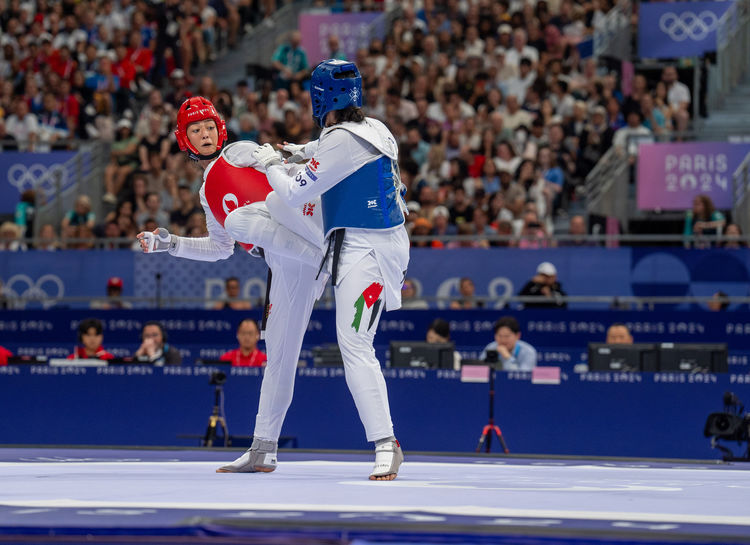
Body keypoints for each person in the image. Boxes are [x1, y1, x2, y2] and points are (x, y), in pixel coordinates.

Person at [137, 96, 330, 477]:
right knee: (279, 355)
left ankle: (332, 258)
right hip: (284, 258)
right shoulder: (206, 195)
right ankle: (263, 449)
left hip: (302, 223)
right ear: (185, 139)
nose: (205, 133)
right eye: (196, 130)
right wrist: (170, 243)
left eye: (209, 126)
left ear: (220, 129)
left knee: (241, 220)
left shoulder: (239, 151)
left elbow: (289, 170)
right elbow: (219, 250)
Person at [253, 59, 408, 480]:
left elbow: (295, 187)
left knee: (355, 343)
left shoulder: (341, 141)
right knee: (354, 342)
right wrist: (299, 151)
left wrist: (269, 162)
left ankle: (385, 443)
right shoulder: (374, 127)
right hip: (367, 243)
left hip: (368, 251)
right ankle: (384, 443)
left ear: (319, 97)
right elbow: (331, 150)